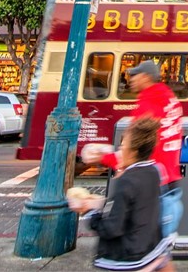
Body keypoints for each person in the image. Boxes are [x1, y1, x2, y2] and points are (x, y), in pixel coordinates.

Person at [84, 62, 184, 240]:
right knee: (159, 253)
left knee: (143, 251)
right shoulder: (170, 100)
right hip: (170, 184)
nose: (130, 79)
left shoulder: (147, 104)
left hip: (152, 187)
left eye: (135, 75)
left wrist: (103, 157)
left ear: (146, 77)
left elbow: (134, 150)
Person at [68, 116, 172, 271]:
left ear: (134, 151)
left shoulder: (127, 181)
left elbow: (112, 228)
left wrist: (89, 212)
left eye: (123, 146)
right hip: (149, 250)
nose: (119, 150)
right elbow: (135, 207)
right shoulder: (154, 171)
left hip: (128, 257)